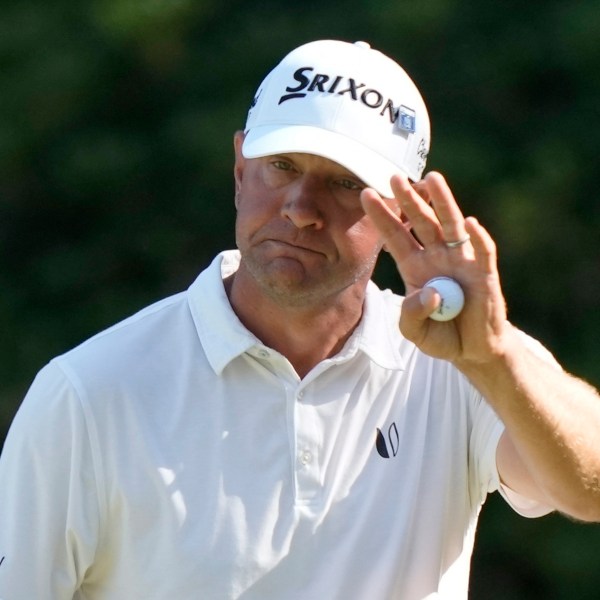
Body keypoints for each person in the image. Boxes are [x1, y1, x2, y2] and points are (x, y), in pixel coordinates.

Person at [1, 39, 599, 600]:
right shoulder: (88, 391)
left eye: (343, 182)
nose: (301, 208)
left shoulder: (465, 363)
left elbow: (589, 488)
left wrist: (495, 358)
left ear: (402, 209)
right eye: (281, 165)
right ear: (240, 170)